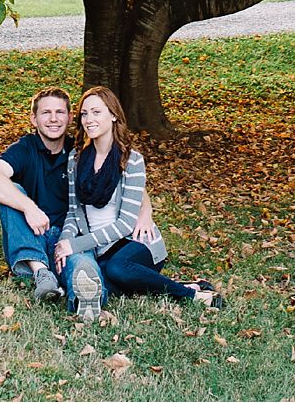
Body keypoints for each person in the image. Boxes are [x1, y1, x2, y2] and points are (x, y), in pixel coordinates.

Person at [55, 85, 221, 320]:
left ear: (113, 115)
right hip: (101, 248)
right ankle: (182, 284)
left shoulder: (131, 160)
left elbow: (125, 224)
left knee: (117, 268)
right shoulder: (76, 159)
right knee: (101, 282)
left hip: (136, 240)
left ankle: (192, 295)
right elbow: (73, 212)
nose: (89, 119)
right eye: (84, 113)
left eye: (96, 112)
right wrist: (64, 244)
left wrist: (76, 245)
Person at [0, 86, 157, 302]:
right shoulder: (25, 148)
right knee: (10, 191)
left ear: (71, 118)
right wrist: (29, 208)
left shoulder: (80, 154)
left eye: (60, 112)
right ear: (34, 119)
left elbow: (132, 183)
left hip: (70, 235)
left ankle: (86, 296)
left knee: (82, 266)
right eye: (46, 112)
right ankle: (41, 272)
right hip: (32, 233)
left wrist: (145, 211)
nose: (53, 119)